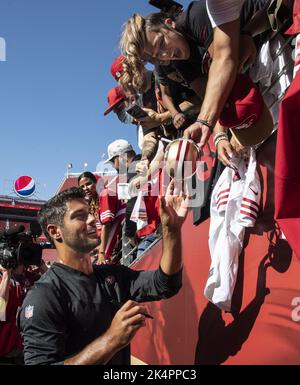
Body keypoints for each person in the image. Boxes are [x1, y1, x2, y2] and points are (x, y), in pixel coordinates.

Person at [18, 185, 188, 365]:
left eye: (90, 213)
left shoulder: (113, 275)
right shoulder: (44, 295)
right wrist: (112, 340)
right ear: (55, 231)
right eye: (80, 216)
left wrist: (171, 230)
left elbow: (165, 284)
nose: (93, 219)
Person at [120, 0, 272, 148]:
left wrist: (205, 122)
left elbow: (224, 61)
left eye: (161, 43)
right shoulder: (178, 63)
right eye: (157, 56)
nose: (165, 55)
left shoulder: (195, 17)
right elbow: (210, 95)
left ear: (169, 24)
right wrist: (220, 136)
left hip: (275, 29)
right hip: (261, 71)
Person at [0, 260, 47, 364]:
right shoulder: (2, 278)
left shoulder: (29, 277)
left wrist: (42, 265)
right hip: (7, 353)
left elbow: (56, 285)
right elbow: (0, 313)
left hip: (32, 348)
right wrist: (6, 275)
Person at [78, 171, 104, 262]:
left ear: (96, 183)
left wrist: (102, 252)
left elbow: (107, 226)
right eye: (82, 186)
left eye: (88, 184)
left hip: (110, 244)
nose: (85, 188)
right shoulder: (90, 203)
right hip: (99, 243)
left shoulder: (104, 195)